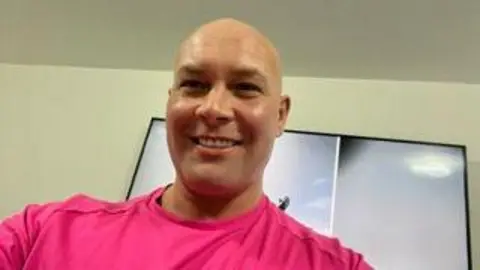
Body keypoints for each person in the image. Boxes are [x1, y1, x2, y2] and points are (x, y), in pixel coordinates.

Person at [0, 18, 373, 269]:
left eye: (245, 87)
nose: (213, 108)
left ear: (280, 115)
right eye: (194, 84)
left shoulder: (335, 266)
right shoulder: (43, 233)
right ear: (170, 99)